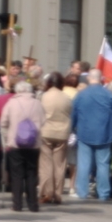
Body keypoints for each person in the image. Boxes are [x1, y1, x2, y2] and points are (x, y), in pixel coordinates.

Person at [71, 69, 112, 201]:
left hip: (84, 133)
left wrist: (71, 130)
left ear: (88, 78)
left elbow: (73, 114)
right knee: (103, 165)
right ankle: (103, 193)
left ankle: (82, 192)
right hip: (104, 134)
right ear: (102, 79)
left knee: (83, 164)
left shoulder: (81, 95)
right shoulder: (109, 95)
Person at [0, 81, 45, 212]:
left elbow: (3, 122)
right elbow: (43, 121)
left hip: (15, 144)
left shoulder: (11, 103)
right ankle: (33, 204)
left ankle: (17, 204)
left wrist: (7, 138)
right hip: (33, 144)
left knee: (17, 175)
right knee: (31, 174)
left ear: (18, 91)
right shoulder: (37, 103)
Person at [38, 71, 72, 204]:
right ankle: (58, 194)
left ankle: (46, 193)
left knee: (46, 165)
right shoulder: (66, 97)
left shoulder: (44, 96)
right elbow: (69, 112)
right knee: (60, 165)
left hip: (46, 132)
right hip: (62, 133)